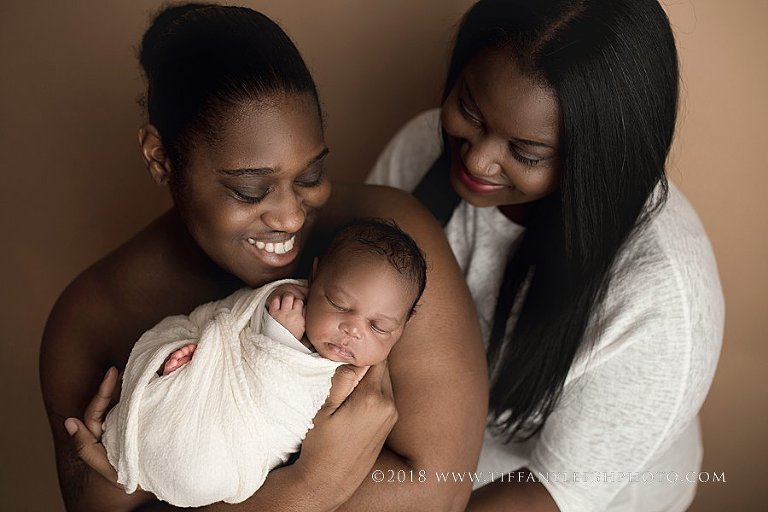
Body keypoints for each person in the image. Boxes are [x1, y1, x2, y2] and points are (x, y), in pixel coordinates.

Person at [39, 4, 487, 512]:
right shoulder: (91, 320)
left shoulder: (385, 251)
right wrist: (312, 485)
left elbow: (440, 490)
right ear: (160, 157)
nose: (292, 217)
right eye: (250, 190)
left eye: (310, 176)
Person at [367, 1, 724, 511]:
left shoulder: (660, 300)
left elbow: (551, 493)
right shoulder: (423, 150)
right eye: (470, 109)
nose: (477, 159)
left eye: (526, 153)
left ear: (596, 158)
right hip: (432, 462)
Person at [102, 218, 428, 508]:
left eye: (379, 326)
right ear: (315, 277)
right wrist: (277, 334)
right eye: (339, 305)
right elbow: (234, 319)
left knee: (202, 473)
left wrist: (283, 347)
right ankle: (173, 380)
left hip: (238, 444)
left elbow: (289, 418)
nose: (352, 331)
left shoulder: (365, 384)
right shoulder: (284, 303)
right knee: (177, 361)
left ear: (405, 324)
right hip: (213, 384)